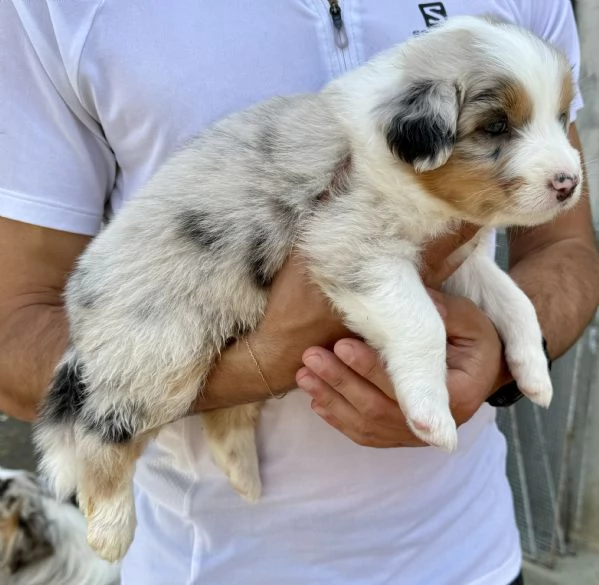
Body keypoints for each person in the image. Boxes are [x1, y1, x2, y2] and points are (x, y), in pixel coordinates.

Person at [0, 1, 598, 583]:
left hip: (474, 555)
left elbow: (563, 248)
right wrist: (262, 363)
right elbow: (15, 334)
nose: (565, 158)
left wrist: (503, 357)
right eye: (498, 127)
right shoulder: (57, 11)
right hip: (208, 565)